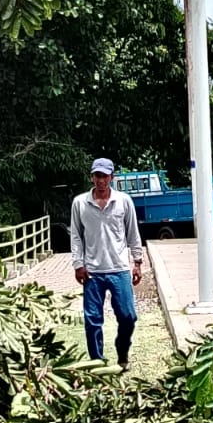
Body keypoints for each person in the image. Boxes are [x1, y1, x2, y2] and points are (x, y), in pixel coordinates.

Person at [70, 157, 143, 369]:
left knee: (128, 316)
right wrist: (78, 264)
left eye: (104, 176)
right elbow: (76, 236)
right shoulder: (80, 203)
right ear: (92, 177)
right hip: (92, 271)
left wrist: (137, 262)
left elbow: (132, 232)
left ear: (112, 177)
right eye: (97, 176)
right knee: (92, 320)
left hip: (119, 268)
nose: (100, 180)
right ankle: (97, 362)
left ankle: (122, 349)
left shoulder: (123, 201)